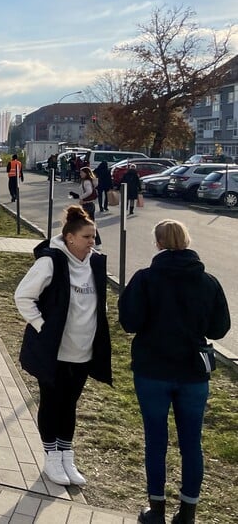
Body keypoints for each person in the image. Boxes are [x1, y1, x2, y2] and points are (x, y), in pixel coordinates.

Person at [118, 220, 230, 524]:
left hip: (152, 369)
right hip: (193, 372)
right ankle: (188, 512)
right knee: (192, 443)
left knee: (156, 440)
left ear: (157, 244)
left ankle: (156, 510)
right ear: (187, 241)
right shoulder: (208, 282)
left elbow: (129, 322)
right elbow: (220, 328)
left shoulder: (145, 279)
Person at [14, 205, 112, 488]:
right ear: (70, 238)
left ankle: (67, 456)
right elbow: (23, 296)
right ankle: (51, 458)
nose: (92, 242)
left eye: (94, 237)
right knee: (52, 402)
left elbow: (98, 300)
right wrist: (43, 327)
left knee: (70, 404)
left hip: (83, 350)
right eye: (87, 237)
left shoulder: (95, 263)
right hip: (55, 351)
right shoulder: (51, 261)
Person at [71, 167, 102, 248]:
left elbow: (89, 191)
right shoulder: (90, 181)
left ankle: (80, 241)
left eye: (82, 173)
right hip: (90, 205)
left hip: (86, 205)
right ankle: (97, 243)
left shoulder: (86, 181)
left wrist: (81, 197)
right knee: (90, 224)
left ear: (86, 173)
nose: (80, 174)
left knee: (81, 223)